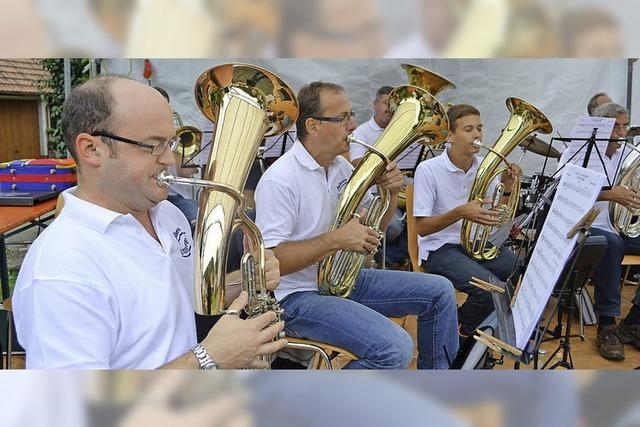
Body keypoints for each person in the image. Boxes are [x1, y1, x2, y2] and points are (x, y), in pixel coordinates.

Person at [12, 76, 286, 369]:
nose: (170, 159)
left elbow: (175, 298)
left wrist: (245, 282)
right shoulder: (61, 268)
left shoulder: (167, 215)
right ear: (92, 149)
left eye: (171, 143)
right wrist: (208, 359)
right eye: (153, 146)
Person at [254, 81, 458, 369]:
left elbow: (377, 228)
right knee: (395, 349)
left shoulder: (342, 167)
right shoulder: (280, 179)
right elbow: (271, 263)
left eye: (352, 115)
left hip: (339, 281)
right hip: (295, 298)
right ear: (313, 126)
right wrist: (334, 240)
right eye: (343, 118)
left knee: (441, 291)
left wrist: (388, 193)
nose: (353, 125)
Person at [413, 104, 520, 339]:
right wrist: (460, 213)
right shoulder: (428, 169)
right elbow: (421, 228)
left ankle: (475, 328)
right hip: (440, 248)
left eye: (480, 128)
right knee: (490, 290)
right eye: (469, 129)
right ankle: (460, 328)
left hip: (475, 244)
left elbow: (496, 217)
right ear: (450, 136)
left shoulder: (486, 166)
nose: (477, 135)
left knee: (517, 269)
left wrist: (507, 189)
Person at [558, 102, 640, 361]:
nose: (621, 133)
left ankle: (634, 321)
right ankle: (607, 325)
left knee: (615, 240)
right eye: (616, 127)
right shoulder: (579, 150)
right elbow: (564, 188)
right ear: (601, 127)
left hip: (621, 227)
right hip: (585, 228)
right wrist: (610, 194)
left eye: (625, 126)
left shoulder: (629, 153)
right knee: (611, 244)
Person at [350, 85, 408, 267]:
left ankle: (393, 258)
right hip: (374, 194)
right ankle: (385, 258)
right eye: (385, 103)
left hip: (397, 192)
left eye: (393, 104)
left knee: (419, 216)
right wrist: (382, 166)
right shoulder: (362, 132)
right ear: (374, 104)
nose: (389, 108)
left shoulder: (402, 131)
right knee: (395, 227)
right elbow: (354, 163)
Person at [152, 86, 199, 234]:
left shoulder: (174, 133)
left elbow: (184, 172)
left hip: (174, 197)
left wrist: (183, 154)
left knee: (196, 216)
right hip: (151, 196)